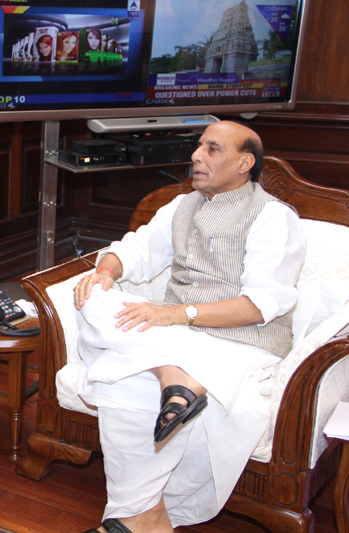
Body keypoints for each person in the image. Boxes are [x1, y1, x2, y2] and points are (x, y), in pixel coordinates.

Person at [68, 121, 306, 532]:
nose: (196, 156)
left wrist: (175, 314)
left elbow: (260, 306)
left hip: (240, 339)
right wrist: (106, 272)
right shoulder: (180, 206)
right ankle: (173, 376)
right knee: (93, 298)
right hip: (176, 335)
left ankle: (142, 517)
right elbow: (135, 251)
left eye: (213, 149)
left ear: (244, 163)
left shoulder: (273, 217)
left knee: (120, 381)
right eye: (198, 146)